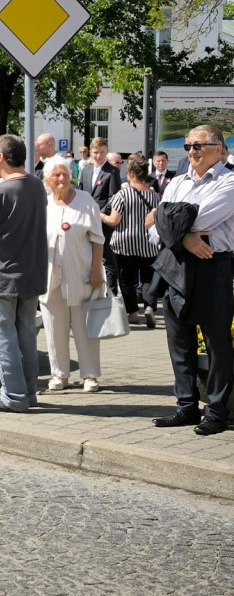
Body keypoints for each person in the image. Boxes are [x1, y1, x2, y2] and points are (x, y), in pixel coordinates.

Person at [148, 126, 234, 436]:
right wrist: (183, 239)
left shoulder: (229, 181)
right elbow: (154, 228)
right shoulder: (177, 182)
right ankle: (186, 406)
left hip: (212, 264)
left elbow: (198, 218)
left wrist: (168, 220)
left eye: (198, 146)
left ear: (218, 149)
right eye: (187, 146)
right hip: (178, 261)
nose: (191, 152)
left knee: (216, 343)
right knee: (178, 340)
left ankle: (217, 411)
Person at [0, 134, 48, 413]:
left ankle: (13, 395)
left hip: (3, 274)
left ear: (1, 157)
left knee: (4, 336)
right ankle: (28, 393)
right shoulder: (37, 186)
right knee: (27, 334)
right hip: (32, 271)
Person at [39, 156, 107, 393]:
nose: (61, 178)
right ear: (47, 179)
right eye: (56, 175)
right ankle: (59, 374)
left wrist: (97, 268)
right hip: (50, 275)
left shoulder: (86, 201)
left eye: (65, 174)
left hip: (82, 272)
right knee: (54, 326)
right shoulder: (43, 204)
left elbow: (98, 238)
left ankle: (90, 375)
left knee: (84, 326)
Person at [102, 155, 160, 328]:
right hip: (149, 243)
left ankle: (133, 312)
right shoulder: (154, 196)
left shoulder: (123, 194)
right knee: (148, 278)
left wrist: (100, 215)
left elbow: (113, 220)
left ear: (131, 174)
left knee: (127, 279)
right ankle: (149, 307)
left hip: (124, 243)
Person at [79, 137, 122, 291]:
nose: (98, 156)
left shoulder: (112, 172)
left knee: (106, 257)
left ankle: (111, 291)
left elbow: (113, 198)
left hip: (101, 220)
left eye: (102, 152)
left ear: (107, 152)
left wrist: (99, 214)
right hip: (84, 219)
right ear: (91, 152)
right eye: (96, 152)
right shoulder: (86, 170)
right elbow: (81, 192)